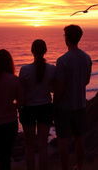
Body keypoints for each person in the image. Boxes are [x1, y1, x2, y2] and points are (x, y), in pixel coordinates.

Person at [53, 25, 92, 170]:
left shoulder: (63, 60)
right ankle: (80, 166)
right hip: (81, 104)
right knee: (79, 138)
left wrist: (54, 103)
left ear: (67, 38)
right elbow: (86, 81)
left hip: (64, 107)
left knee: (63, 140)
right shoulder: (87, 58)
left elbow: (60, 87)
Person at [19, 39, 56, 170]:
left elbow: (21, 94)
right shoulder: (52, 69)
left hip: (28, 109)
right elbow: (53, 89)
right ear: (45, 51)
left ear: (31, 51)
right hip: (45, 108)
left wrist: (19, 108)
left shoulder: (24, 70)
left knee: (29, 146)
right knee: (43, 145)